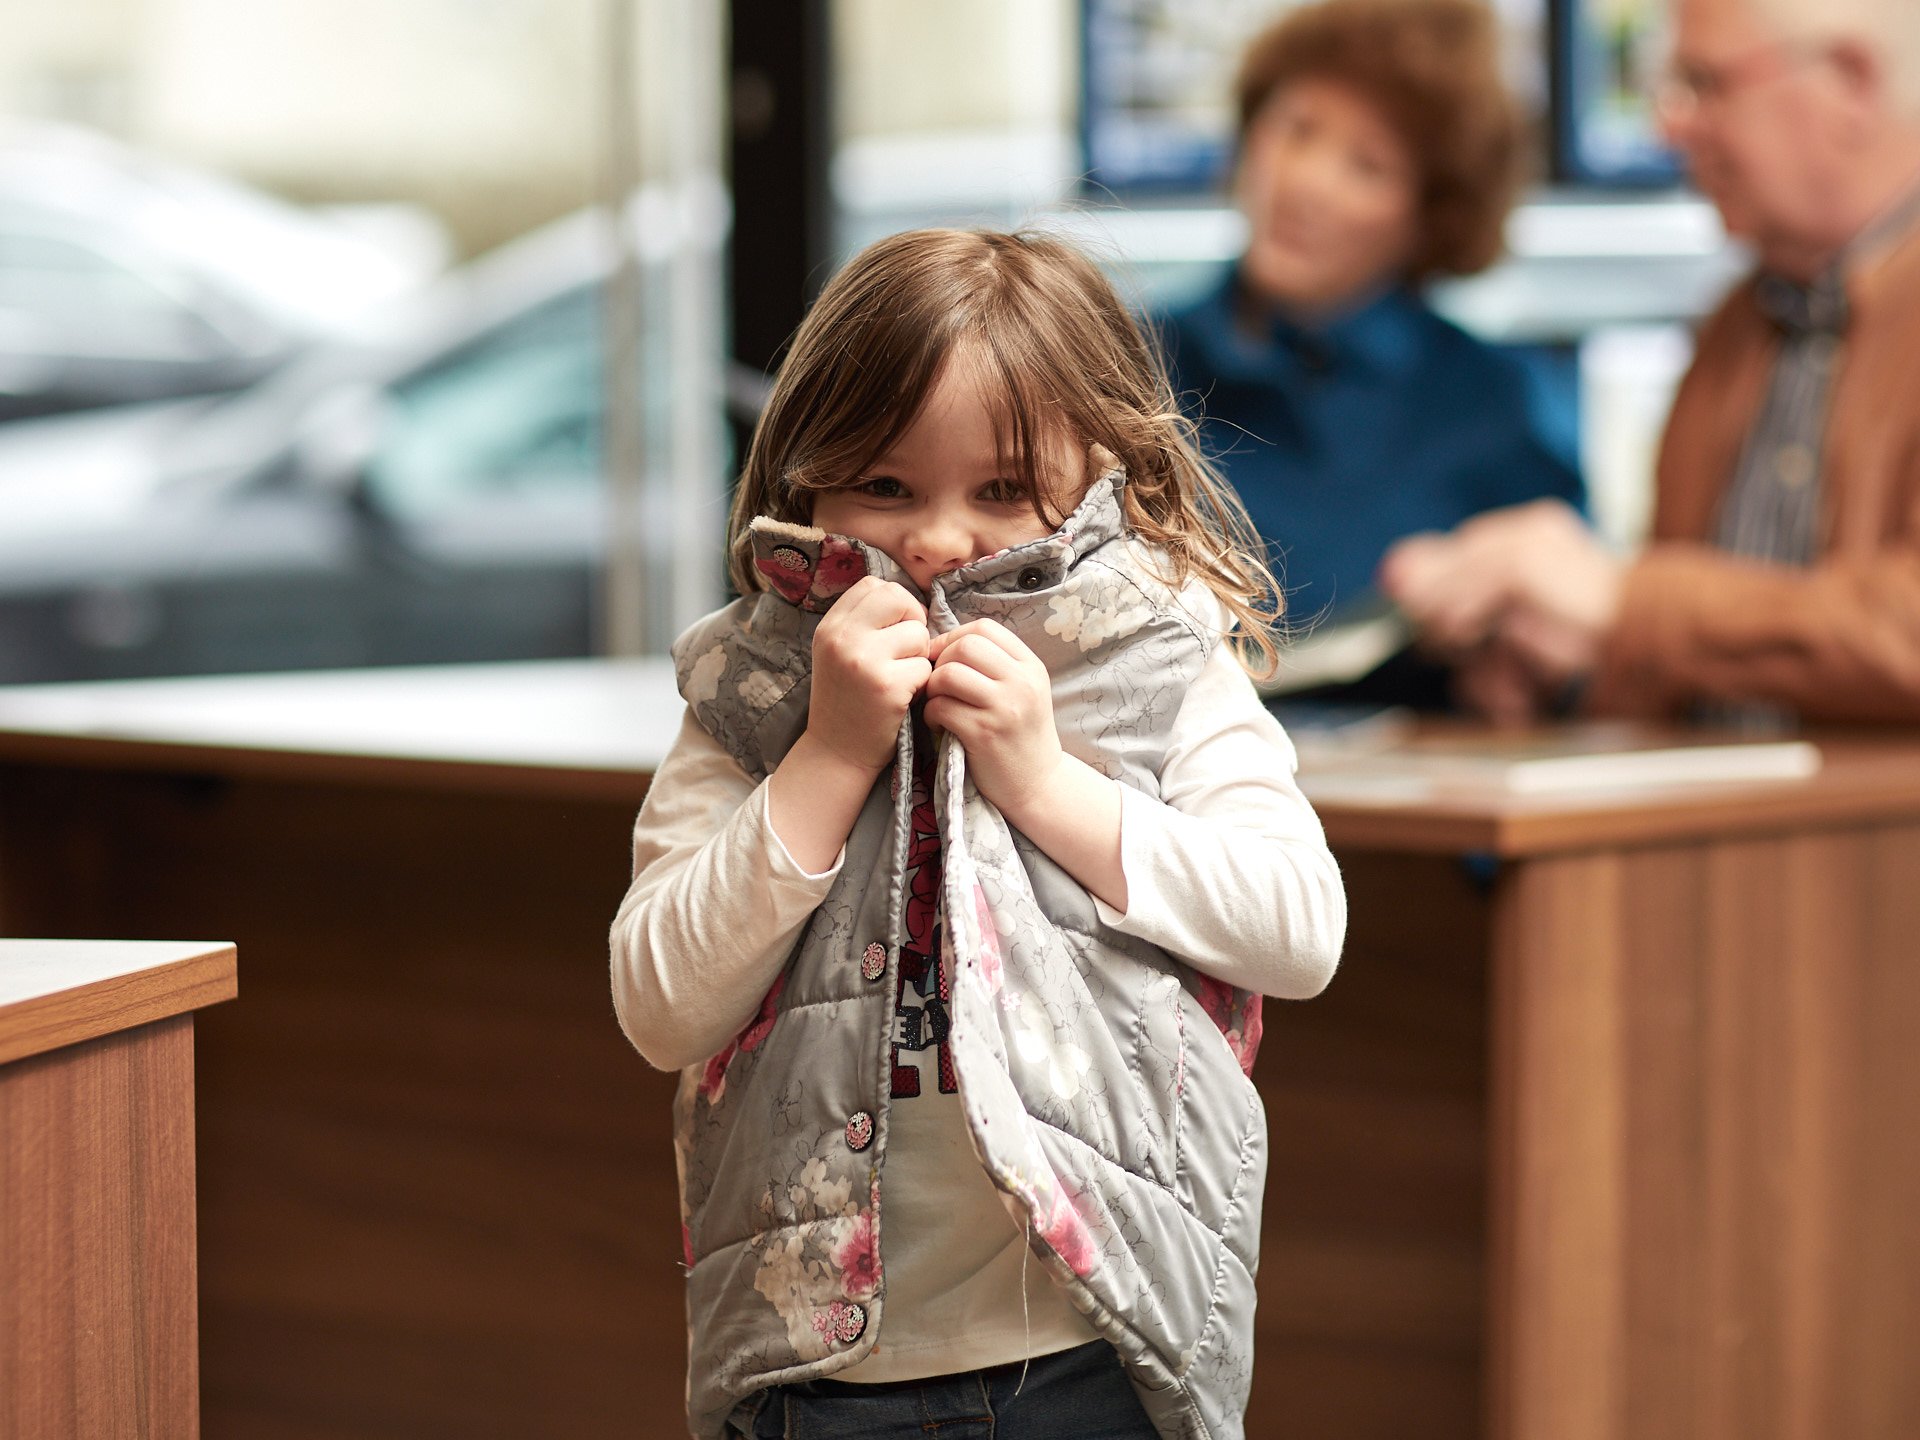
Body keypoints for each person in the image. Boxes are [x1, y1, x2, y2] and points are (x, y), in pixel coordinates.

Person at [609, 228, 1346, 1439]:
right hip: (814, 1373)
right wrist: (830, 756)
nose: (940, 541)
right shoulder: (751, 692)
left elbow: (1298, 929)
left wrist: (1046, 782)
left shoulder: (1157, 661)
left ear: (1110, 474)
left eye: (1003, 492)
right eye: (886, 488)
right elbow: (660, 1006)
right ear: (806, 484)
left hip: (1097, 1344)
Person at [1381, 0, 1920, 724]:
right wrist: (1562, 669)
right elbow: (1706, 674)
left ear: (1851, 81)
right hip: (1722, 833)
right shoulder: (1737, 325)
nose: (1670, 125)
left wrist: (1626, 601)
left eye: (1707, 83)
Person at [1157, 0, 1582, 707]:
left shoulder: (1496, 404)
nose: (1307, 184)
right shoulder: (1116, 365)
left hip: (1409, 802)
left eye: (1367, 165)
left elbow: (1567, 669)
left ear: (1429, 217)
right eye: (1297, 130)